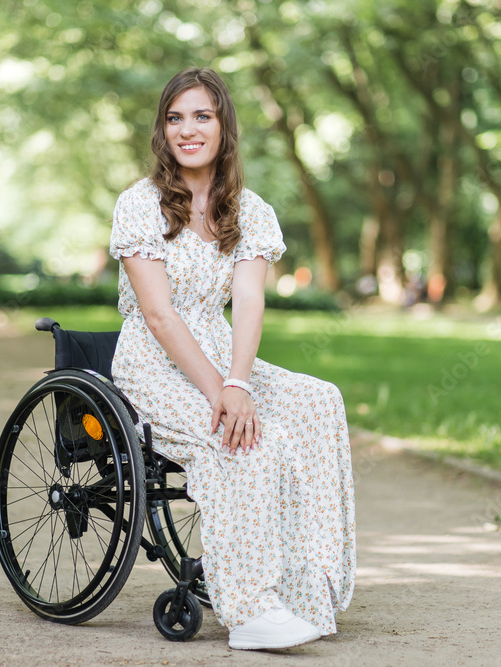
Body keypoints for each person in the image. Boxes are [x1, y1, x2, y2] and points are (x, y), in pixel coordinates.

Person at [108, 67, 356, 651]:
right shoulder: (140, 205)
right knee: (247, 439)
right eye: (175, 118)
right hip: (153, 362)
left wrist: (238, 379)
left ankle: (305, 587)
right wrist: (220, 391)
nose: (187, 130)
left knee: (321, 401)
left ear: (224, 127)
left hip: (224, 354)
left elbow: (247, 302)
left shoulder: (250, 211)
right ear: (162, 130)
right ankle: (248, 609)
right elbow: (161, 316)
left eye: (202, 116)